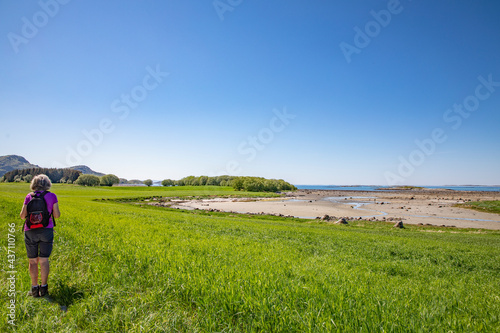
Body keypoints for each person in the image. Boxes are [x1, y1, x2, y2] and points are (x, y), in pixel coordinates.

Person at [19, 174, 61, 298]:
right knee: (43, 260)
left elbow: (22, 216)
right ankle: (44, 288)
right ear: (47, 183)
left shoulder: (29, 196)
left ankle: (34, 288)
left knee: (32, 261)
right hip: (46, 231)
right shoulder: (52, 196)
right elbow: (57, 215)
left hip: (30, 231)